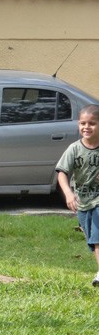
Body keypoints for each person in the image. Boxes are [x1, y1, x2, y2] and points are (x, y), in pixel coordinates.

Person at [56, 104, 99, 287]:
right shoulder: (74, 149)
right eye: (83, 123)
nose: (86, 127)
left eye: (92, 123)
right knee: (92, 240)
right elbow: (62, 173)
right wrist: (68, 194)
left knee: (97, 237)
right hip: (82, 202)